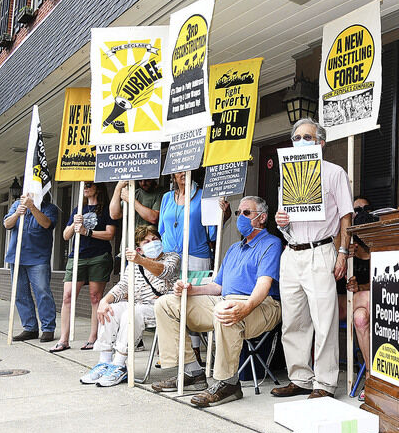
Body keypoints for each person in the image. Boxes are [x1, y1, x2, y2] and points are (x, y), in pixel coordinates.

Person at [152, 196, 282, 406]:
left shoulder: (271, 243)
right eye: (238, 213)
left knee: (225, 309)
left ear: (262, 217)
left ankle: (228, 382)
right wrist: (190, 290)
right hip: (224, 300)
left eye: (246, 213)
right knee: (166, 304)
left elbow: (263, 285)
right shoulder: (234, 249)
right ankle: (192, 372)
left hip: (260, 304)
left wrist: (246, 306)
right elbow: (217, 287)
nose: (240, 217)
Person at [272, 117, 353, 399]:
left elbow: (346, 216)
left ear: (320, 142)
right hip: (292, 252)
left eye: (307, 137)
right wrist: (281, 222)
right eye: (296, 138)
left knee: (324, 320)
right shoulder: (288, 174)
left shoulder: (334, 173)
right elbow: (285, 222)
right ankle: (300, 378)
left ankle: (325, 383)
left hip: (321, 250)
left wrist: (343, 252)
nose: (301, 142)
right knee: (293, 320)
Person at [80, 226, 179, 387]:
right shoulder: (134, 264)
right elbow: (123, 286)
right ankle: (104, 361)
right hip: (139, 304)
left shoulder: (171, 257)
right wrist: (104, 301)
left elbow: (165, 272)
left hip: (161, 307)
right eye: (146, 242)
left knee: (131, 313)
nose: (152, 243)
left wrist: (141, 260)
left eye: (155, 239)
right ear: (139, 248)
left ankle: (119, 364)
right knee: (110, 310)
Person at [158, 171, 229, 365]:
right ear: (173, 174)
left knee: (192, 300)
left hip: (196, 255)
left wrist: (224, 213)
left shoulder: (205, 195)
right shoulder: (167, 198)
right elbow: (162, 230)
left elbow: (214, 230)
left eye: (186, 169)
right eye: (178, 170)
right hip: (170, 258)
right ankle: (176, 350)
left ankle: (195, 350)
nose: (182, 173)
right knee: (171, 300)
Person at [51, 182, 117, 353]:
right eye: (84, 185)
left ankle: (93, 338)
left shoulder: (106, 210)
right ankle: (63, 339)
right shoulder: (78, 210)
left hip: (98, 256)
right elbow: (66, 236)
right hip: (77, 257)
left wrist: (87, 232)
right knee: (67, 296)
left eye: (89, 185)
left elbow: (110, 234)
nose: (85, 187)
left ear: (98, 188)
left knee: (95, 297)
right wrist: (74, 225)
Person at [3, 193, 59, 342]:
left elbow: (47, 224)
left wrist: (32, 207)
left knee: (42, 292)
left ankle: (48, 328)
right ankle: (30, 328)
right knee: (20, 294)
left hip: (38, 258)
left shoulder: (50, 208)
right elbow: (7, 224)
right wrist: (17, 213)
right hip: (16, 257)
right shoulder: (16, 205)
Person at [345, 197, 376, 400]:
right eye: (357, 210)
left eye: (366, 209)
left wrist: (362, 287)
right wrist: (341, 255)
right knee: (361, 310)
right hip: (346, 302)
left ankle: (371, 375)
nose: (362, 213)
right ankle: (372, 375)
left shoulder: (380, 244)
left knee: (361, 315)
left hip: (371, 303)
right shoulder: (346, 247)